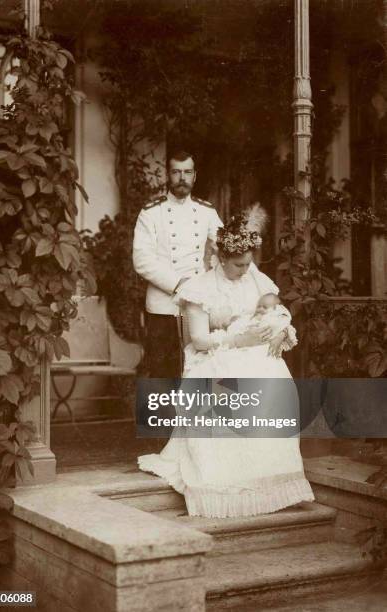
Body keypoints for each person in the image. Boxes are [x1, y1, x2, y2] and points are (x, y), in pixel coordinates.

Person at [138, 205, 314, 518]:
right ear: (221, 259)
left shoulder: (256, 280)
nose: (244, 271)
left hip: (253, 351)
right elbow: (200, 340)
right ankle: (229, 487)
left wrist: (281, 330)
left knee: (272, 375)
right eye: (237, 265)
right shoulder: (200, 287)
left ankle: (267, 477)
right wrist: (236, 341)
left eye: (248, 263)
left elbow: (280, 311)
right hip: (214, 354)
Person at [133, 150, 222, 377]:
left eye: (187, 172)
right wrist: (179, 284)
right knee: (164, 375)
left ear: (195, 176)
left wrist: (212, 281)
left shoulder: (206, 211)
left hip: (199, 306)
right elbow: (142, 260)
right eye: (176, 172)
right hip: (164, 305)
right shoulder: (151, 213)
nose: (182, 178)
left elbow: (225, 249)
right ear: (167, 175)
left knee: (200, 371)